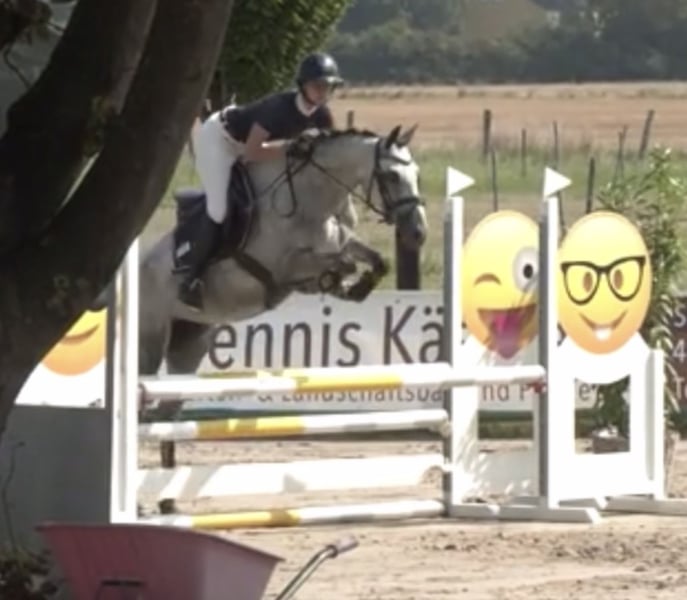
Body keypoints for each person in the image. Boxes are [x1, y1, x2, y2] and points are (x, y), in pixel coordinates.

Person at [179, 51, 344, 312]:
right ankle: (191, 278)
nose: (323, 92)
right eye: (318, 86)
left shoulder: (323, 116)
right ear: (303, 85)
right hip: (221, 141)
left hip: (257, 147)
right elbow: (251, 153)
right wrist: (290, 148)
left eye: (328, 87)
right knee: (219, 210)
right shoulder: (279, 109)